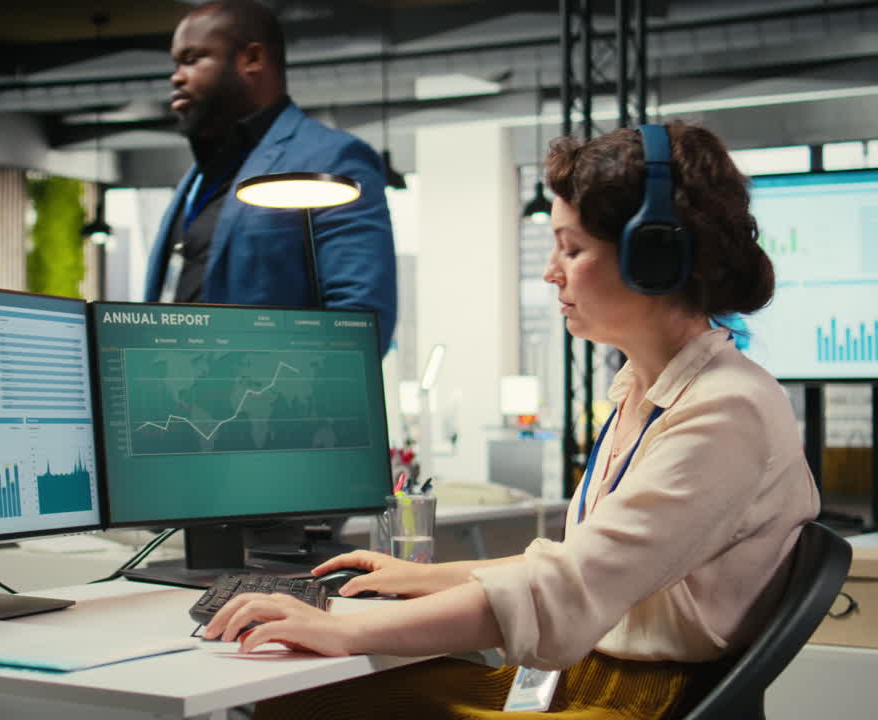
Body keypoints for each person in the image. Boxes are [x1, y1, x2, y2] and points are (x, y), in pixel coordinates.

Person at [203, 119, 820, 719]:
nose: (551, 272)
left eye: (572, 249)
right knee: (309, 697)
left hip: (633, 700)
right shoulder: (650, 389)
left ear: (654, 260)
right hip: (587, 677)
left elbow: (567, 589)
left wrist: (345, 632)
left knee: (310, 702)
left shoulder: (725, 409)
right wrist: (427, 577)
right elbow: (575, 562)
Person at [144, 0, 398, 351]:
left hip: (269, 401)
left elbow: (362, 325)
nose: (176, 77)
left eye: (192, 59)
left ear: (252, 59)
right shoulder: (197, 179)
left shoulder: (331, 161)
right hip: (174, 402)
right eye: (175, 64)